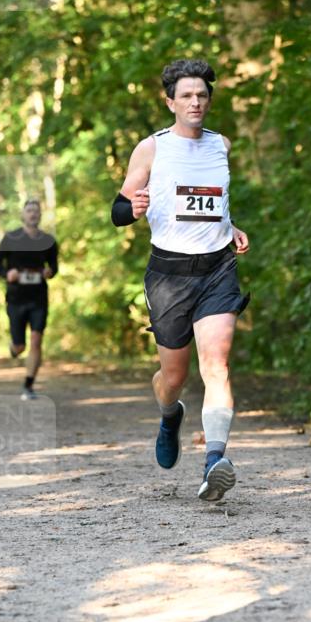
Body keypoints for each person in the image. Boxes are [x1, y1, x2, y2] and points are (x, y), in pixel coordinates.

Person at [112, 58, 250, 501]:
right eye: (187, 95)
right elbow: (118, 208)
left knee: (217, 364)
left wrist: (230, 227)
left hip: (217, 268)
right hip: (169, 275)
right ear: (169, 100)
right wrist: (130, 209)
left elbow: (211, 200)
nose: (196, 102)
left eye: (202, 95)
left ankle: (214, 462)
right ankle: (170, 415)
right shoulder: (151, 149)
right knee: (174, 378)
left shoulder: (221, 146)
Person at [0, 198, 58, 400]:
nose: (33, 214)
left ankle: (28, 386)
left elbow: (54, 267)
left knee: (36, 339)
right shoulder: (11, 238)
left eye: (36, 211)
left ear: (40, 215)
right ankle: (14, 348)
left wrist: (50, 271)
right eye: (29, 210)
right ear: (23, 215)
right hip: (16, 298)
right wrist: (7, 273)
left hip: (38, 298)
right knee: (20, 346)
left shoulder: (48, 241)